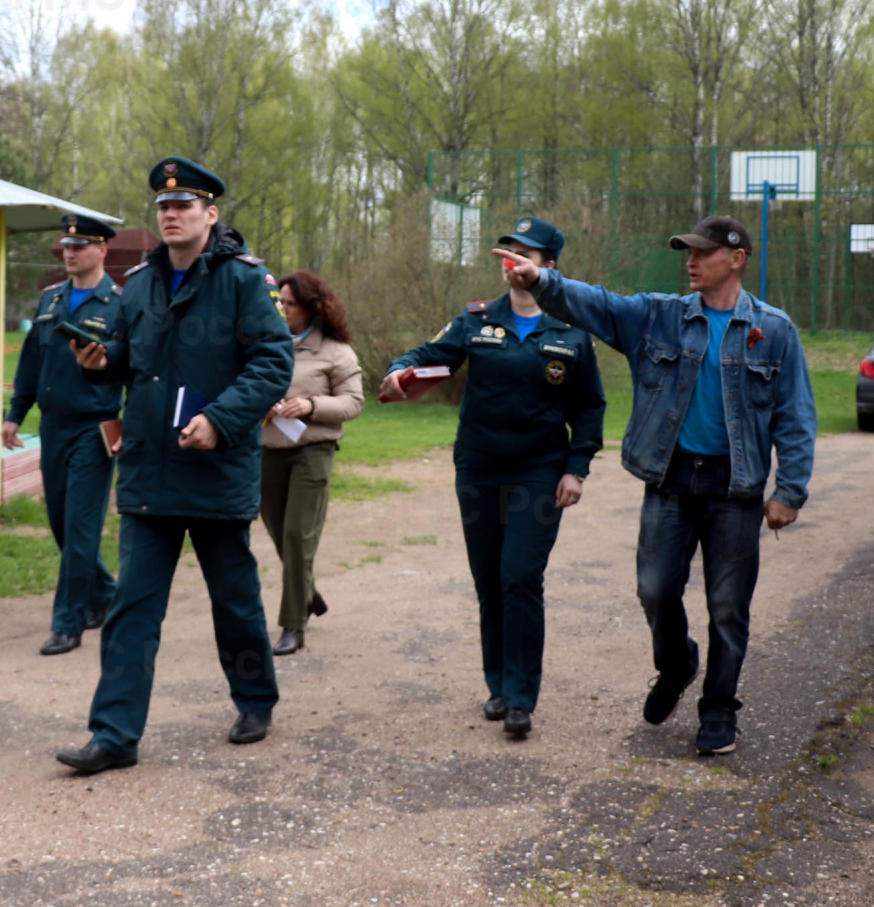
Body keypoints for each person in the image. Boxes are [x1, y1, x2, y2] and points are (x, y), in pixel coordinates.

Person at [499, 215, 817, 756]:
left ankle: (719, 711)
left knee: (728, 608)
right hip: (671, 480)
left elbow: (795, 415)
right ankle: (676, 663)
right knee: (654, 589)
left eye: (702, 253)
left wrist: (789, 490)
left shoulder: (775, 330)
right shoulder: (658, 316)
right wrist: (541, 280)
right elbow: (596, 304)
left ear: (736, 259)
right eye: (687, 252)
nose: (690, 261)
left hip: (735, 488)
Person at [53, 156, 295, 774]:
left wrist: (221, 419)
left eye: (183, 205)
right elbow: (129, 355)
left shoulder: (245, 280)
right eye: (163, 206)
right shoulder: (138, 283)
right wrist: (101, 359)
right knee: (132, 608)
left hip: (216, 467)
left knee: (234, 601)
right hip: (149, 471)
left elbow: (273, 363)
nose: (171, 214)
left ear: (210, 215)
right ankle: (114, 734)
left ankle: (255, 701)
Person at [383, 217, 605, 738]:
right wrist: (399, 369)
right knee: (489, 579)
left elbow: (589, 406)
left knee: (519, 576)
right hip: (479, 468)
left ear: (549, 266)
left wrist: (576, 468)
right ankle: (499, 686)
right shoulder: (475, 320)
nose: (511, 260)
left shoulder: (572, 331)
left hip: (538, 471)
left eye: (524, 253)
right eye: (507, 251)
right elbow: (428, 355)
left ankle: (522, 697)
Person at [1, 214, 124, 656]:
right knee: (60, 524)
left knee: (80, 528)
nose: (69, 253)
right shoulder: (50, 299)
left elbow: (134, 366)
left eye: (80, 246)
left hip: (94, 428)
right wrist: (16, 414)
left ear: (102, 250)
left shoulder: (119, 304)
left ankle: (67, 623)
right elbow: (31, 362)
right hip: (52, 427)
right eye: (66, 246)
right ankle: (105, 592)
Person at [261, 270, 364, 656]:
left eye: (290, 304)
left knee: (296, 537)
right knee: (280, 535)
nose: (283, 309)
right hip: (268, 450)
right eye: (280, 303)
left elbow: (354, 402)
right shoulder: (264, 344)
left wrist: (310, 405)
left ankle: (293, 625)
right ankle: (307, 593)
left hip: (312, 452)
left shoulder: (335, 350)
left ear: (311, 307)